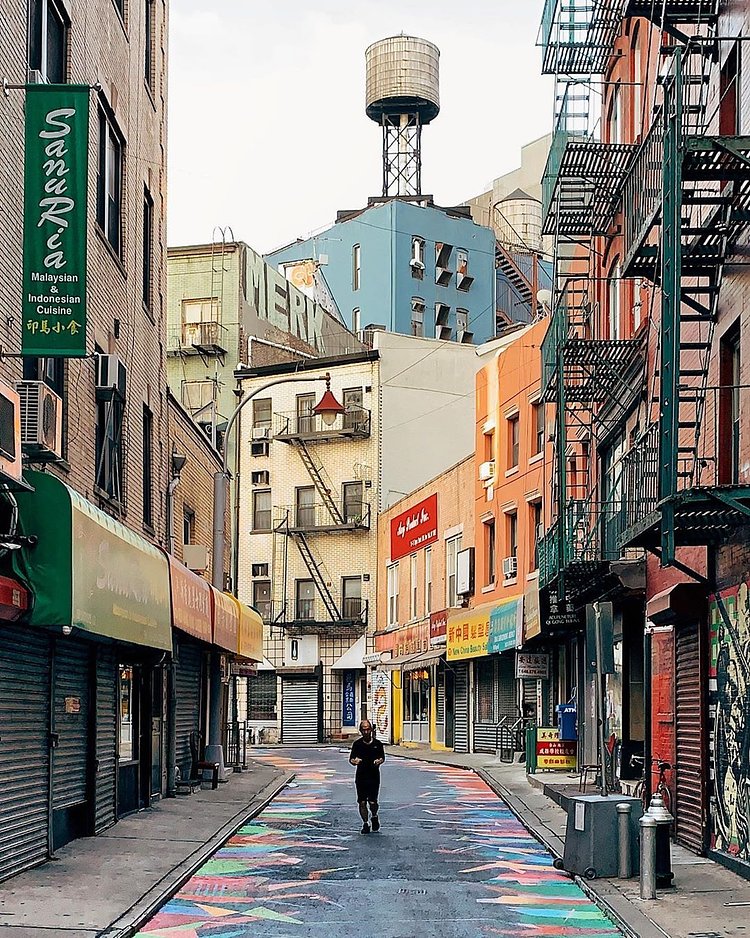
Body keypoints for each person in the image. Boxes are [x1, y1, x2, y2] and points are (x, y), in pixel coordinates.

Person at [349, 719, 385, 833]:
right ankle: (365, 824)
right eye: (363, 730)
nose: (366, 732)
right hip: (361, 776)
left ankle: (374, 816)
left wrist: (379, 761)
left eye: (368, 729)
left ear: (371, 730)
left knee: (372, 802)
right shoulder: (357, 744)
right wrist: (355, 761)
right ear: (360, 731)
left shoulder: (377, 744)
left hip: (374, 776)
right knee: (362, 802)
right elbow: (351, 759)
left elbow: (382, 757)